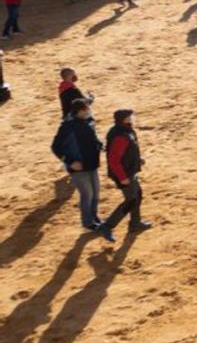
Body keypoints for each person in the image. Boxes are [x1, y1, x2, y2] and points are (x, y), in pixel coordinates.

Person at [51, 98, 109, 238]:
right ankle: (87, 222)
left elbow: (93, 138)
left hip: (91, 163)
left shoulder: (89, 121)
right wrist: (70, 162)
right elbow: (55, 147)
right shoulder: (67, 127)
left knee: (95, 192)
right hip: (78, 167)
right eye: (86, 109)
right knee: (87, 194)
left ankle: (94, 218)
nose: (89, 111)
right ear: (80, 111)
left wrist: (100, 145)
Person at [95, 108, 152, 238]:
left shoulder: (124, 130)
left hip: (129, 171)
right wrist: (122, 177)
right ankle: (107, 226)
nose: (133, 118)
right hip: (124, 174)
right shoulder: (121, 136)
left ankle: (135, 223)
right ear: (124, 119)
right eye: (130, 116)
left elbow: (128, 151)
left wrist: (138, 159)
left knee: (137, 195)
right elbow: (114, 160)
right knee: (130, 200)